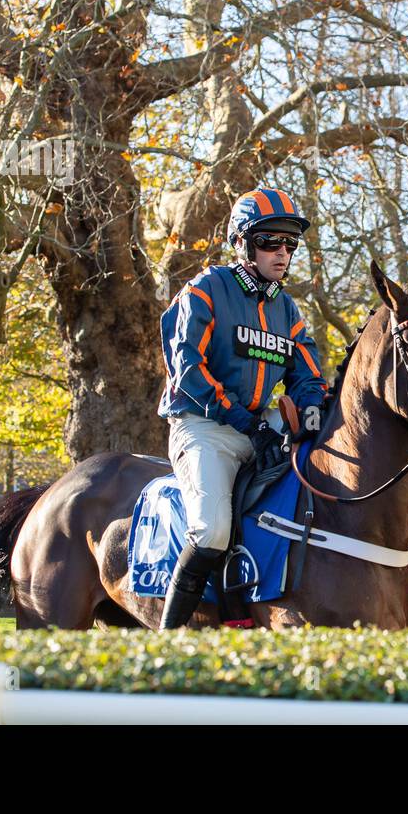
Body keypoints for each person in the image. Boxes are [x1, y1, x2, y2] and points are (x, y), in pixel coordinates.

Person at [155, 187, 328, 629]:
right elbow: (187, 368)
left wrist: (310, 409)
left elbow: (307, 374)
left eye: (290, 244)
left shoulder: (288, 309)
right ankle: (166, 636)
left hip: (259, 424)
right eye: (271, 241)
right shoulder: (206, 289)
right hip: (203, 425)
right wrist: (245, 422)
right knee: (212, 531)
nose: (283, 253)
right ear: (243, 243)